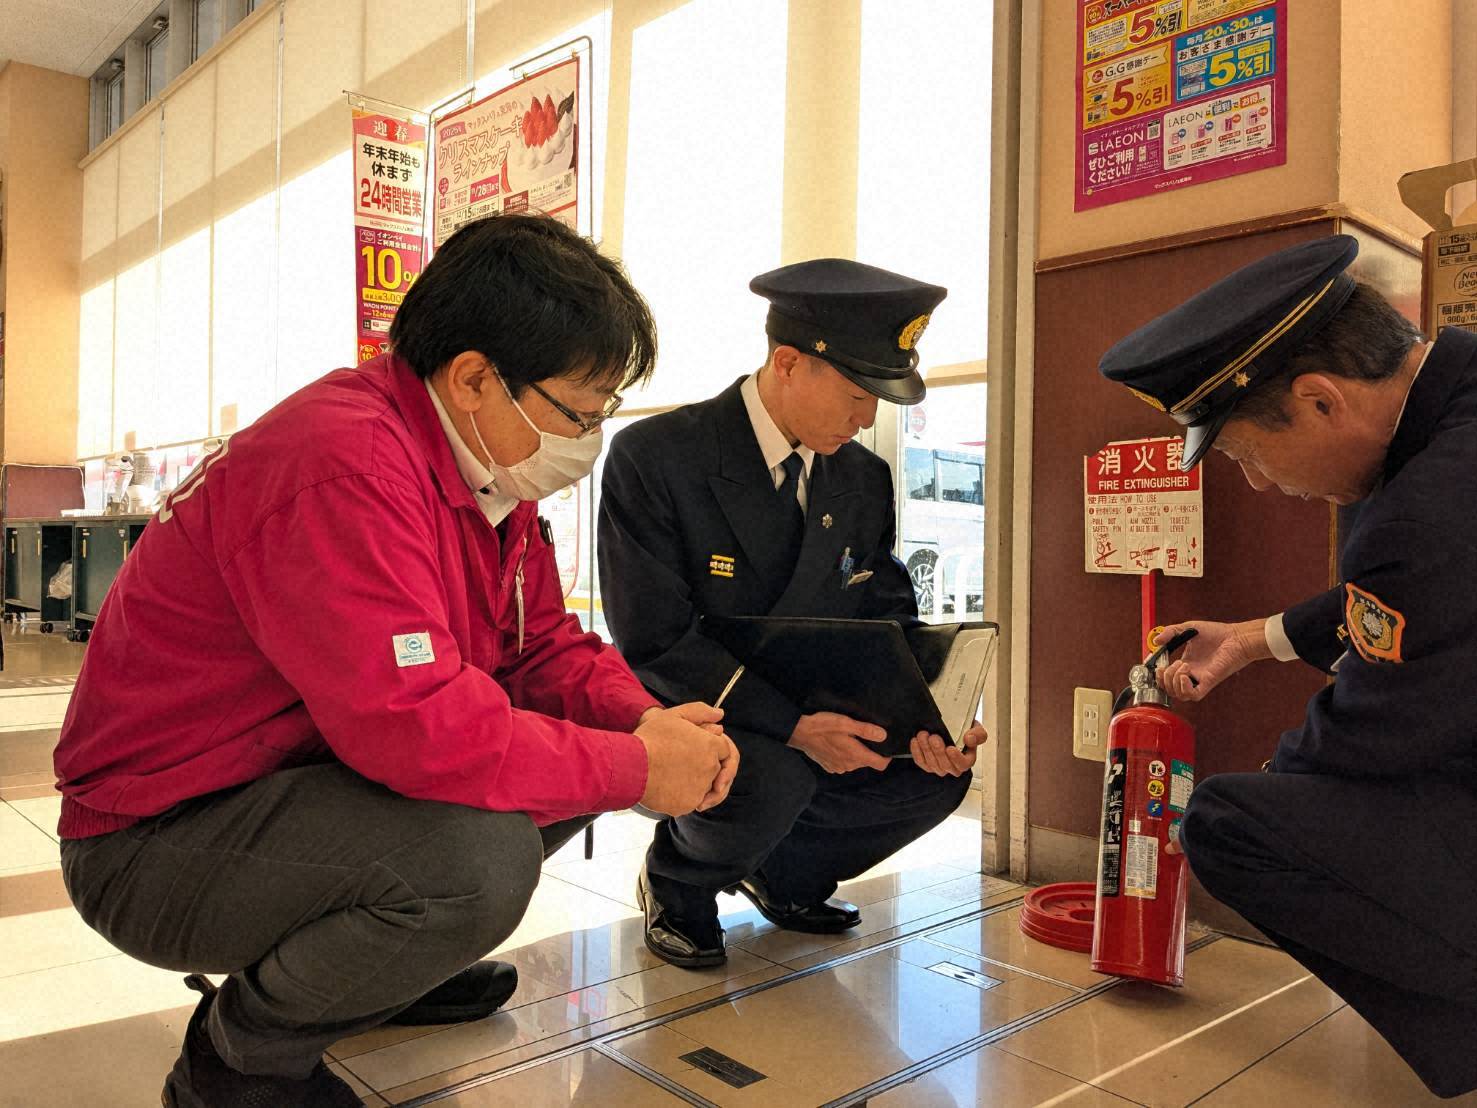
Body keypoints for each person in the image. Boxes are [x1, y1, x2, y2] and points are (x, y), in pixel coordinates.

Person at [52, 213, 738, 1108]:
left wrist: (637, 720)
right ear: (473, 379)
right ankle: (240, 1059)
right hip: (155, 837)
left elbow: (539, 644)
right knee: (479, 860)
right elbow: (411, 723)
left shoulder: (485, 477)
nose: (591, 436)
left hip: (289, 783)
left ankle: (379, 974)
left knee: (552, 775)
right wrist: (639, 767)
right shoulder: (344, 464)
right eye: (581, 410)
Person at [1098, 233, 1477, 1099]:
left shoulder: (1419, 512)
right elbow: (1441, 608)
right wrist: (1250, 638)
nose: (1261, 484)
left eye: (1241, 454)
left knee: (1233, 822)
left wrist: (1280, 779)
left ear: (1317, 401)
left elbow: (1368, 737)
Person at [597, 258, 987, 968]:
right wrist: (795, 728)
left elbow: (886, 616)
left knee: (933, 776)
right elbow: (654, 639)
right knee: (772, 774)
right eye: (857, 391)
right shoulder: (657, 457)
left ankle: (784, 874)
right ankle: (677, 880)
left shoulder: (861, 477)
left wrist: (933, 714)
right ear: (788, 362)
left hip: (812, 701)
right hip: (697, 703)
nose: (869, 415)